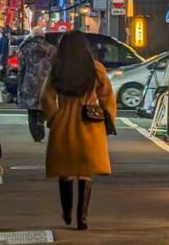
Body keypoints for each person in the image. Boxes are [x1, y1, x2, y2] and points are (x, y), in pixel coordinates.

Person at [40, 31, 116, 231]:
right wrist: (108, 119)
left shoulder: (58, 69)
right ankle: (82, 218)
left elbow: (46, 97)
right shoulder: (95, 69)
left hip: (64, 123)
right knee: (85, 172)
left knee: (65, 171)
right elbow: (107, 95)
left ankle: (67, 212)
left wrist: (55, 117)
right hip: (90, 123)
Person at [17, 28, 55, 141]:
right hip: (46, 82)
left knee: (32, 109)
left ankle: (36, 133)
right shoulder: (51, 49)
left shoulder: (26, 48)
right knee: (43, 106)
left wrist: (20, 83)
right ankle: (41, 123)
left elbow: (21, 67)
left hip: (30, 82)